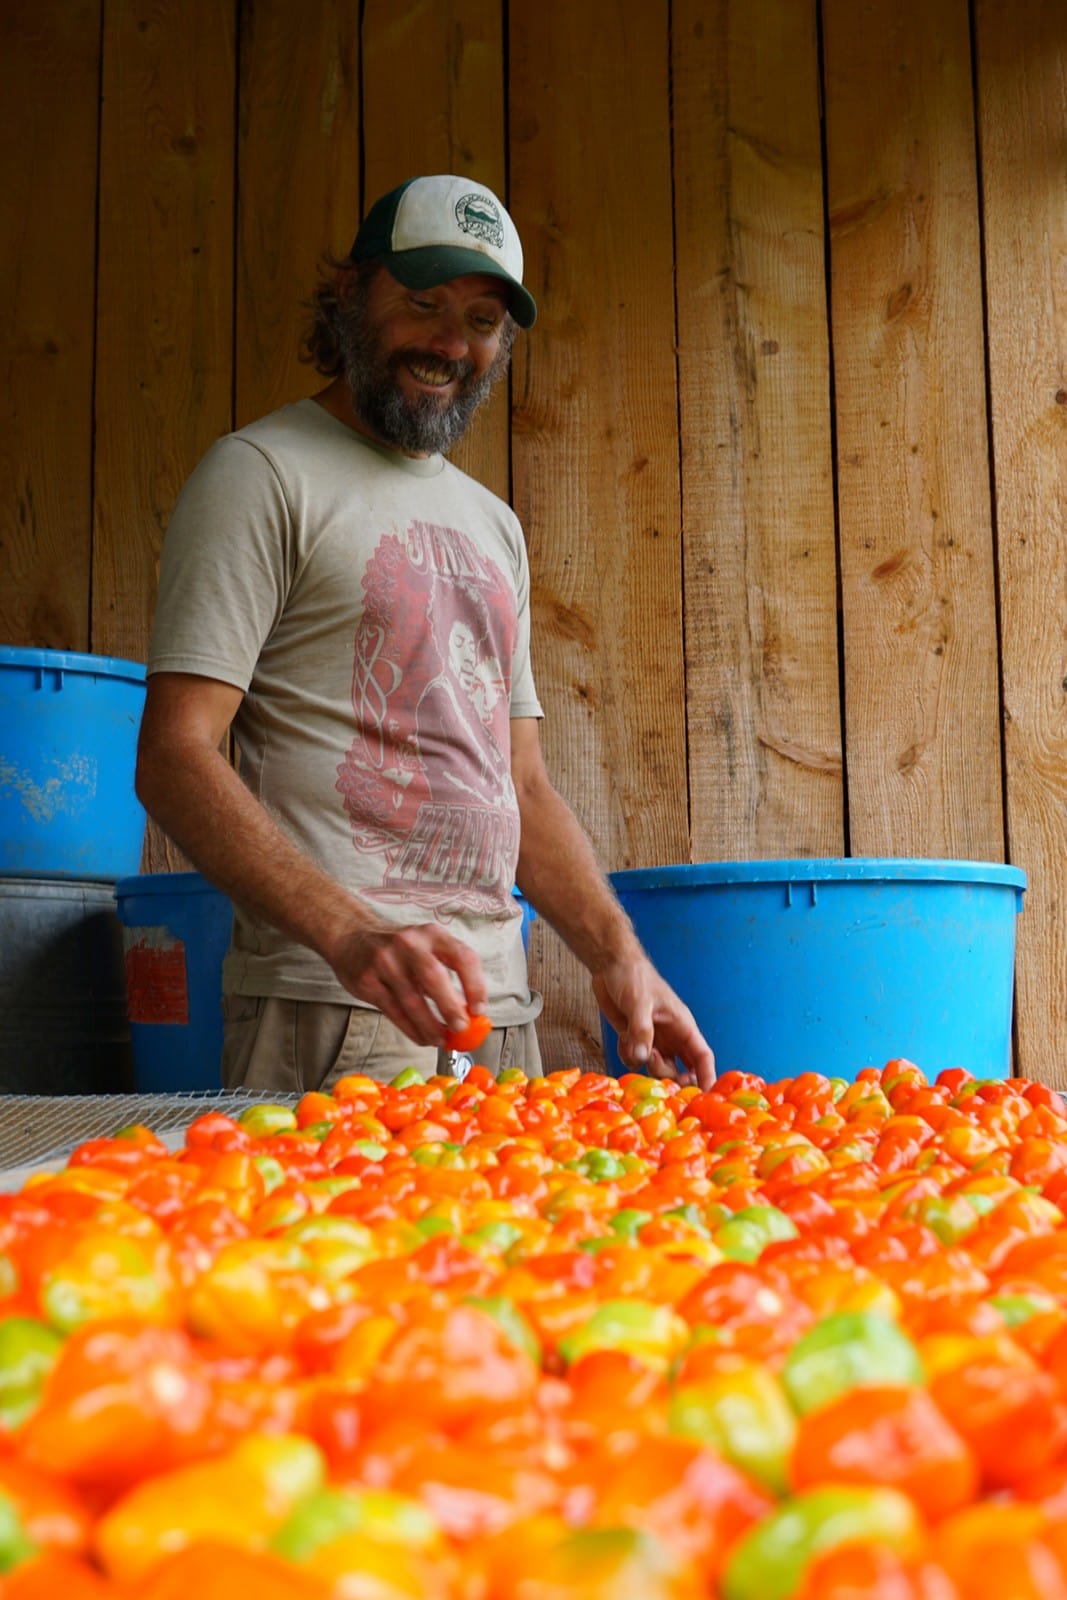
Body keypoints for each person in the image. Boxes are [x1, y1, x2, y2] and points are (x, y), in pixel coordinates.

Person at [135, 174, 715, 1093]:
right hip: (336, 1012)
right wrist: (351, 935)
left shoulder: (493, 525)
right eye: (423, 304)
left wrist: (617, 957)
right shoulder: (260, 474)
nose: (451, 343)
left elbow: (519, 781)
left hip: (501, 1020)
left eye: (483, 320)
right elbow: (174, 755)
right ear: (352, 295)